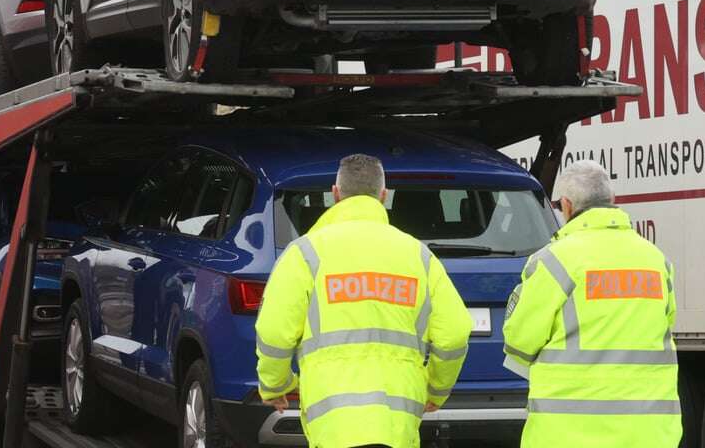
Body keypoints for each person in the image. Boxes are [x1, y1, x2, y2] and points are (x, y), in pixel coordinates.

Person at [255, 154, 472, 448]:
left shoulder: (304, 254)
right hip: (399, 417)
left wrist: (275, 385)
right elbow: (455, 333)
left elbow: (274, 331)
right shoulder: (418, 256)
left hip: (331, 418)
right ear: (383, 196)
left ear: (335, 194)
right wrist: (435, 390)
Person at [503, 160, 680, 447]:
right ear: (613, 201)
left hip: (569, 434)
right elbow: (666, 326)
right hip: (649, 433)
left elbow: (519, 342)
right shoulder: (656, 261)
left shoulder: (553, 261)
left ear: (568, 206)